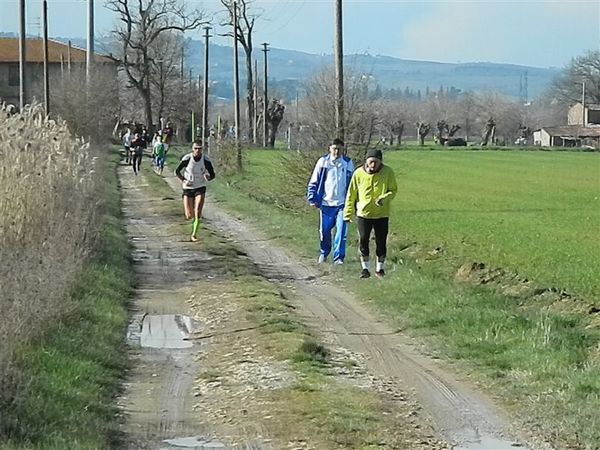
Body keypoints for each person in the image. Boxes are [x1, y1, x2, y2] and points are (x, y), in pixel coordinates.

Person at [343, 148, 397, 278]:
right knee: (363, 239)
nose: (373, 165)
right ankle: (365, 269)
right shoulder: (358, 174)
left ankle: (380, 269)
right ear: (366, 161)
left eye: (376, 162)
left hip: (382, 213)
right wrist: (348, 212)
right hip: (364, 213)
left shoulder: (388, 172)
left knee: (381, 241)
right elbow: (351, 194)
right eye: (371, 162)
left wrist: (384, 199)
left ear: (380, 162)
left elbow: (393, 190)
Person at [306, 138, 354, 264]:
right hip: (326, 203)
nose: (336, 151)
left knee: (341, 232)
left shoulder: (348, 163)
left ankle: (338, 258)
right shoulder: (323, 162)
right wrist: (312, 198)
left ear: (343, 149)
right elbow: (314, 181)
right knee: (325, 231)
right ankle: (324, 252)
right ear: (330, 148)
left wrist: (354, 202)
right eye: (334, 148)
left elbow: (353, 185)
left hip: (342, 204)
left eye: (339, 149)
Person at [174, 140, 215, 242]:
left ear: (202, 149)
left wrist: (208, 177)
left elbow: (213, 174)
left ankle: (194, 234)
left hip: (200, 187)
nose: (197, 150)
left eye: (199, 148)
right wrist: (184, 180)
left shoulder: (205, 160)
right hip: (188, 188)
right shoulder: (187, 158)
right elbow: (177, 171)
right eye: (195, 148)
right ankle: (192, 217)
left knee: (197, 212)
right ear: (192, 149)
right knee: (189, 215)